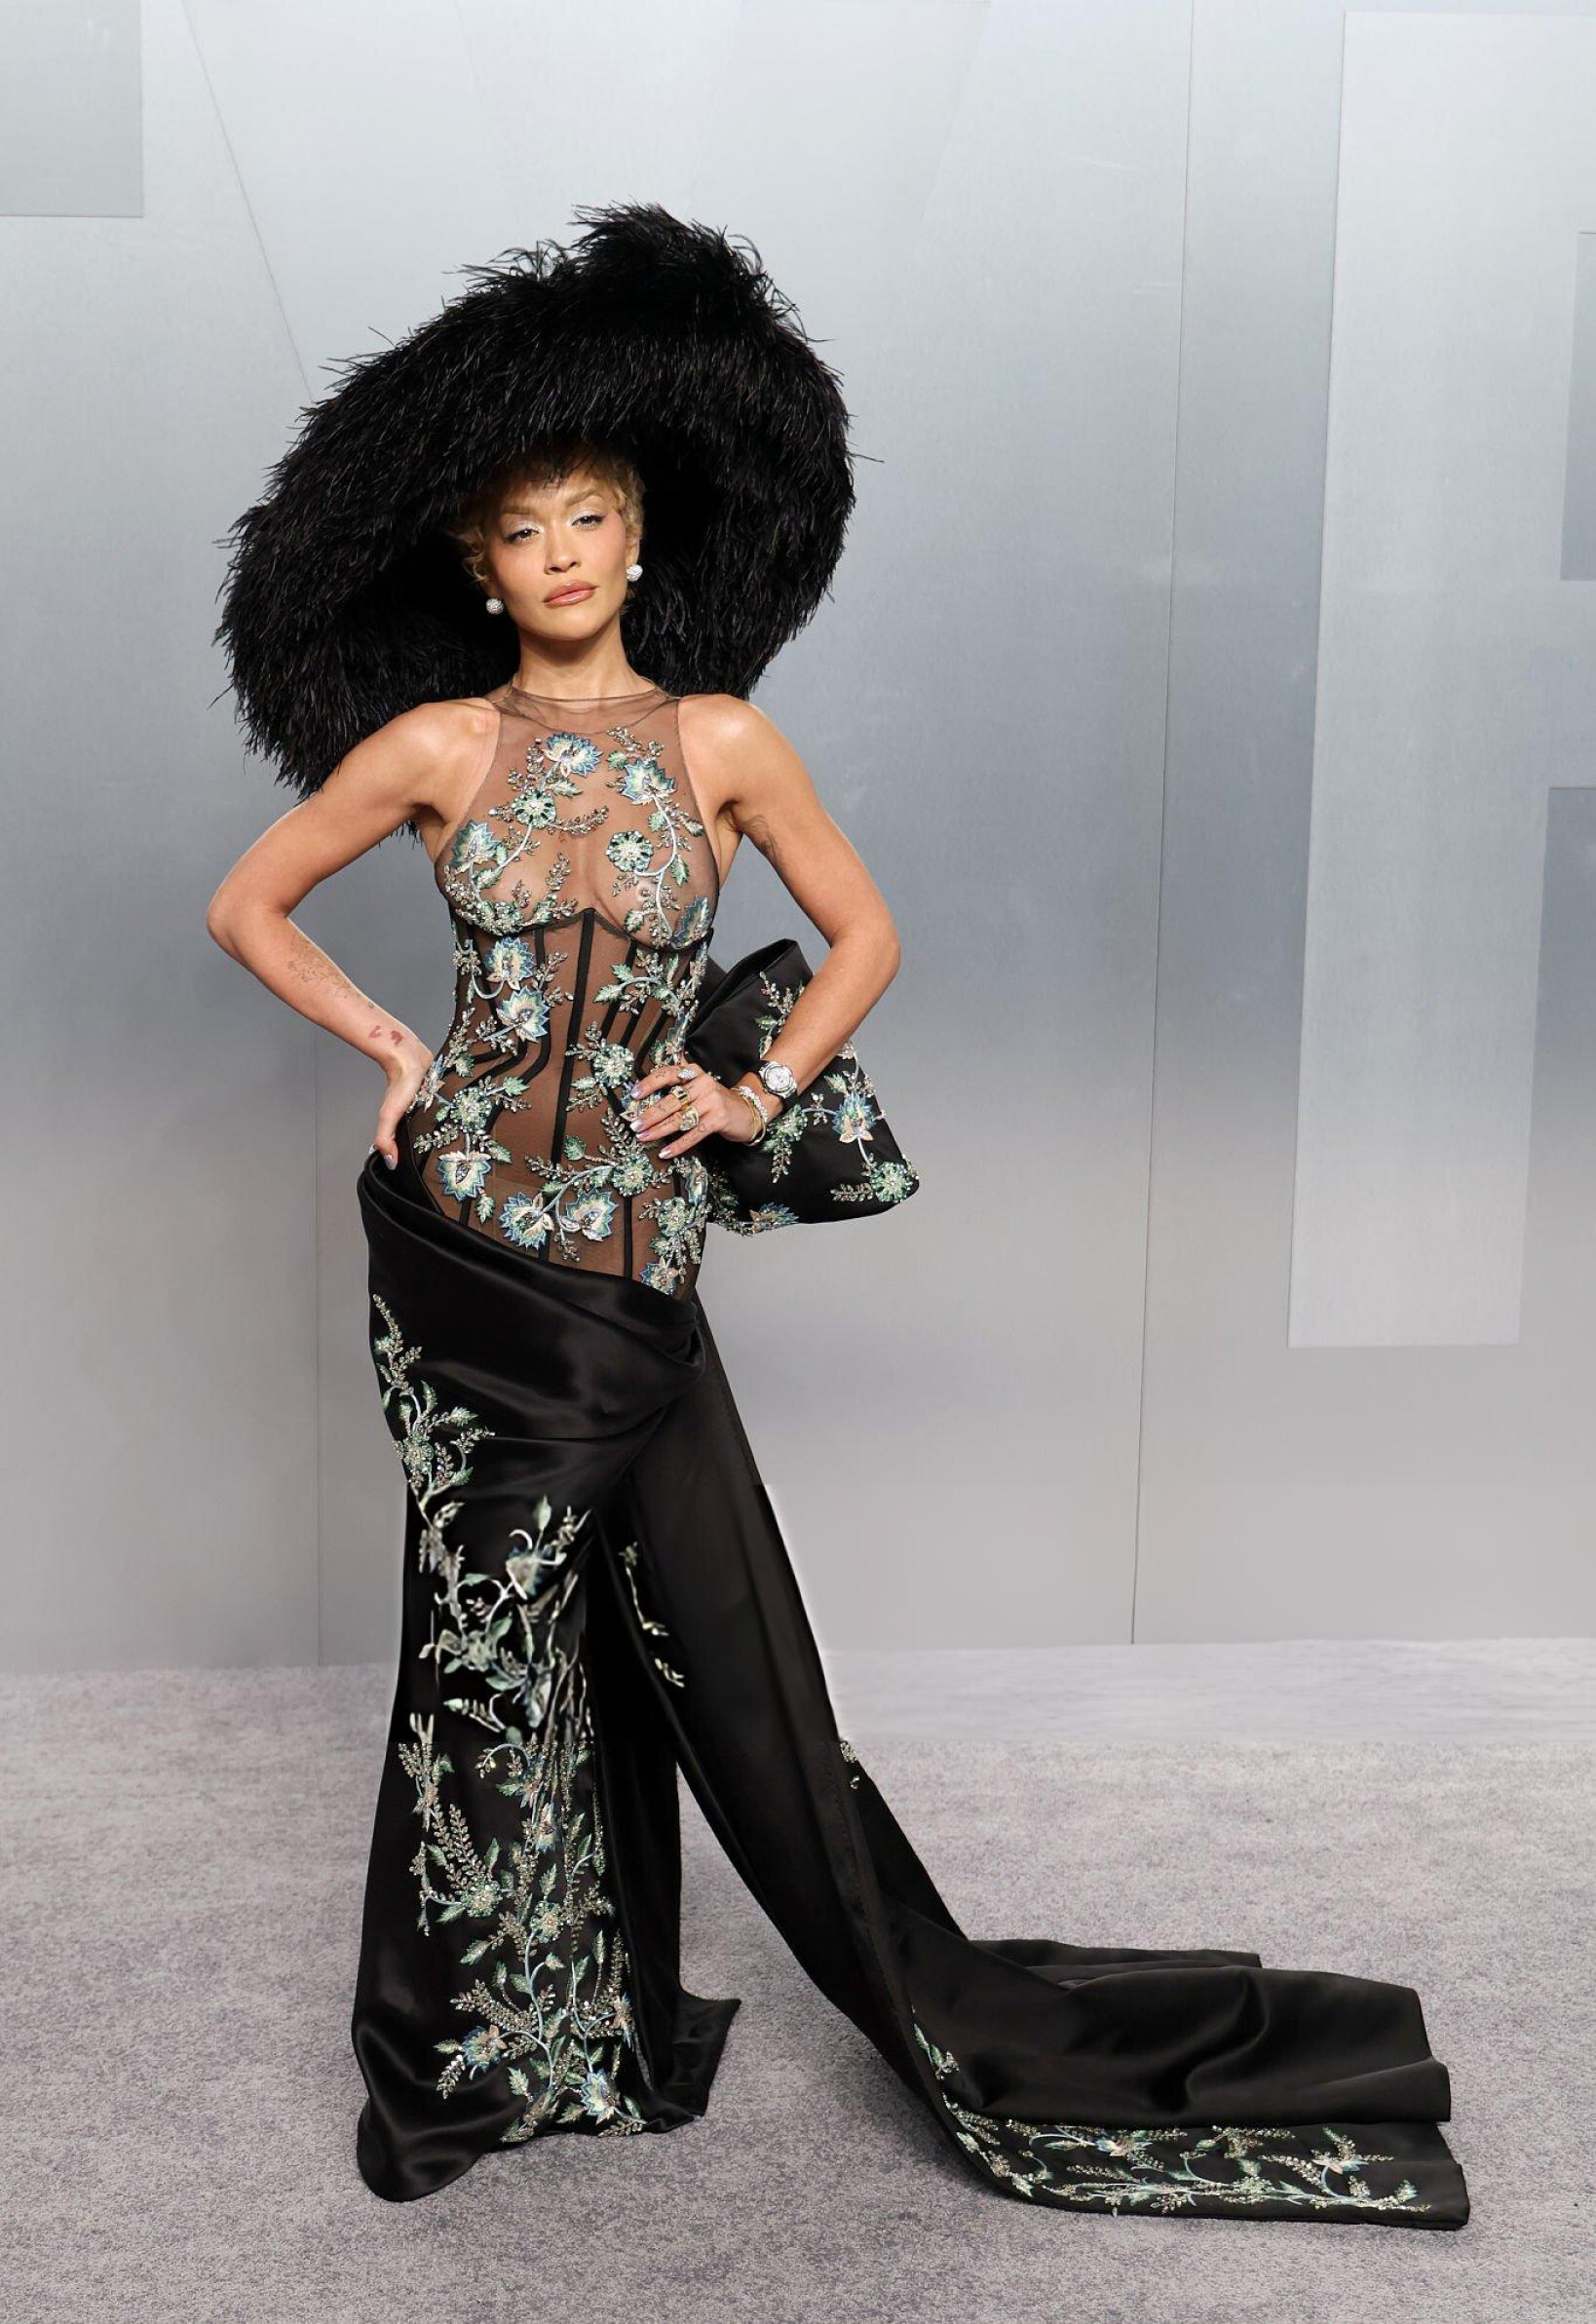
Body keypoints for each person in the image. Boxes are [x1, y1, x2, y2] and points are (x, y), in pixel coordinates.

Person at [207, 204, 1469, 2227]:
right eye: (523, 529)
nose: (560, 554)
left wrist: (753, 1087)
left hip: (631, 1253)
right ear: (481, 562)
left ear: (638, 541)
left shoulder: (722, 739)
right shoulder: (438, 746)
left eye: (590, 518)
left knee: (690, 1643)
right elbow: (247, 899)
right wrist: (388, 1043)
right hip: (465, 1250)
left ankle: (648, 2009)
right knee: (479, 1640)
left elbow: (866, 929)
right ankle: (493, 2042)